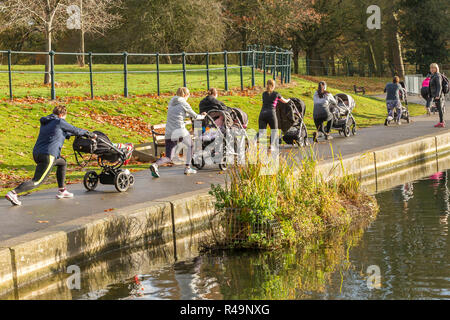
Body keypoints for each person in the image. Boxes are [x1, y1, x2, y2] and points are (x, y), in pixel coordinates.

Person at [5, 105, 95, 206]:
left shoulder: (47, 123)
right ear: (61, 115)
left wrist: (77, 134)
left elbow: (66, 133)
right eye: (65, 118)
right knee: (37, 181)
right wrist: (90, 134)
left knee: (62, 163)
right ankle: (13, 193)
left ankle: (62, 190)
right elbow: (75, 129)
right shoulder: (59, 122)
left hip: (38, 153)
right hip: (48, 155)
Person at [149, 87, 205, 178]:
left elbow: (179, 113)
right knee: (190, 145)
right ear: (186, 95)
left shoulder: (171, 102)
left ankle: (155, 165)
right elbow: (195, 116)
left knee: (168, 157)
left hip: (169, 132)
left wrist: (186, 116)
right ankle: (187, 168)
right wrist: (202, 116)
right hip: (180, 131)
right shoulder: (184, 103)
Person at [429, 63, 445, 127]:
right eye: (431, 68)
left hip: (438, 95)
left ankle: (441, 122)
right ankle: (441, 121)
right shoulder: (433, 75)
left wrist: (438, 95)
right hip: (435, 95)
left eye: (433, 68)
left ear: (436, 69)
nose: (432, 69)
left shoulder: (437, 76)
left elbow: (439, 86)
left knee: (440, 109)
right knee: (439, 108)